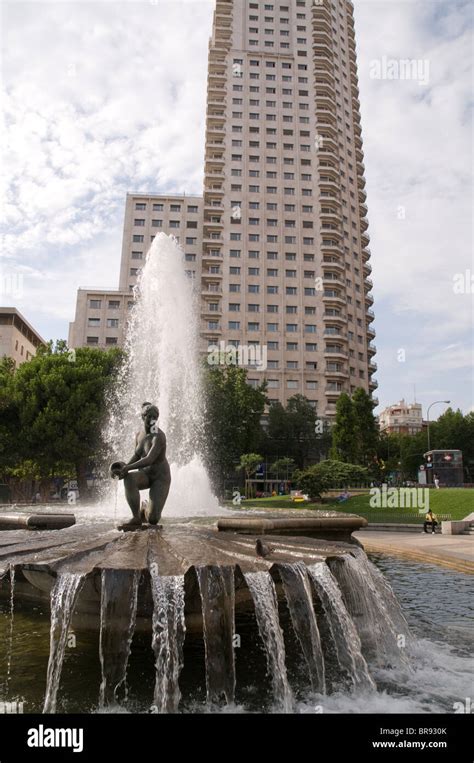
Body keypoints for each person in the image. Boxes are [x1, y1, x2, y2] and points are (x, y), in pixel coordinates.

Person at [111, 404, 171, 531]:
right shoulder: (139, 435)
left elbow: (149, 459)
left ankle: (145, 508)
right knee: (129, 479)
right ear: (143, 417)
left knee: (153, 520)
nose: (152, 420)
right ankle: (135, 517)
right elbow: (137, 455)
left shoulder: (159, 436)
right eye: (149, 416)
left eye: (155, 417)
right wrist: (124, 468)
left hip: (160, 478)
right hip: (145, 475)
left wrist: (128, 468)